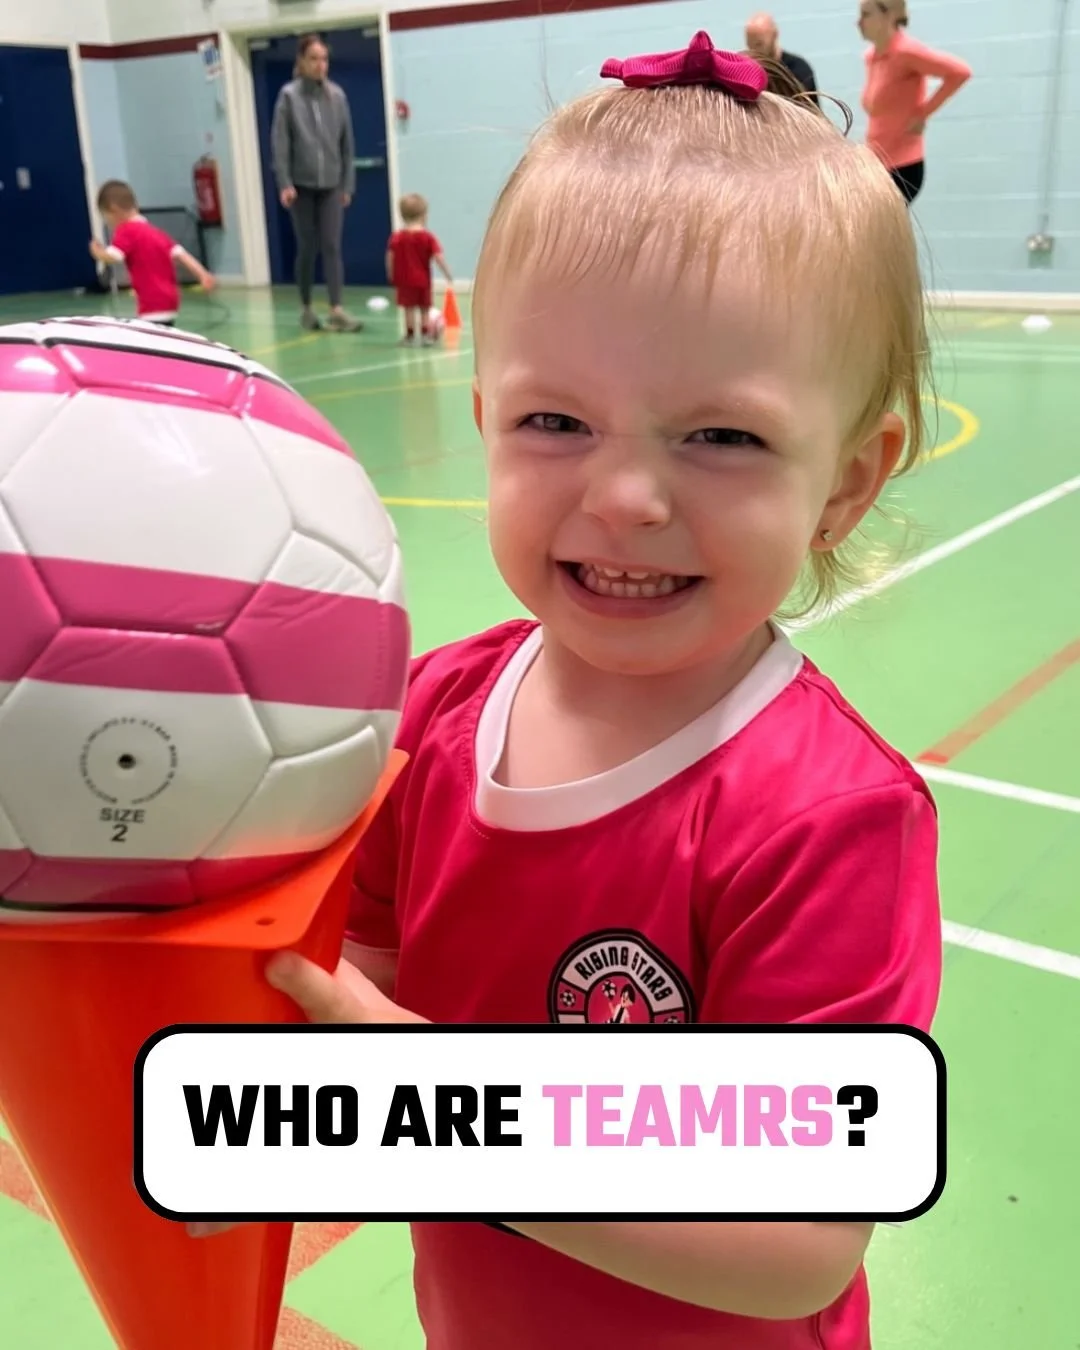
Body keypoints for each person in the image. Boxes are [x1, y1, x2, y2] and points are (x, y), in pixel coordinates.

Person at [192, 31, 942, 1350]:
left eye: (722, 435)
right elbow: (342, 1015)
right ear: (483, 409)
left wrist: (423, 1109)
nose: (625, 495)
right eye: (555, 421)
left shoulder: (824, 818)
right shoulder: (430, 715)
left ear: (845, 482)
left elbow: (795, 1248)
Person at [271, 34, 363, 332]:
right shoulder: (289, 96)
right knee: (308, 247)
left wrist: (347, 185)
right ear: (301, 61)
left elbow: (347, 145)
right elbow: (280, 143)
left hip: (332, 185)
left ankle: (337, 308)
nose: (320, 65)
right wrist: (284, 182)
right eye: (313, 58)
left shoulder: (337, 96)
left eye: (324, 59)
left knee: (332, 245)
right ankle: (307, 307)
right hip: (301, 185)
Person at [858, 0, 971, 205]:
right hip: (877, 162)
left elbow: (960, 72)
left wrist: (924, 112)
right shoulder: (872, 57)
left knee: (883, 231)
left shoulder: (906, 52)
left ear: (888, 16)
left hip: (903, 165)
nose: (859, 22)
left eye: (866, 15)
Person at [89, 181, 215, 326]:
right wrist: (203, 274)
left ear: (113, 209)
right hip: (170, 300)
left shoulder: (126, 231)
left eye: (106, 217)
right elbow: (182, 255)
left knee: (152, 341)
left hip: (151, 303)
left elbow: (113, 257)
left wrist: (97, 253)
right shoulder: (157, 233)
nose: (108, 223)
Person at [386, 193, 454, 345]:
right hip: (422, 280)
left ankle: (409, 335)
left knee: (408, 308)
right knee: (424, 308)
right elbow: (438, 257)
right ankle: (426, 335)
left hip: (404, 280)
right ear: (424, 215)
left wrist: (391, 273)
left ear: (402, 215)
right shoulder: (428, 238)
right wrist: (447, 273)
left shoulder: (397, 237)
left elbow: (390, 257)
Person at [744, 12, 819, 106]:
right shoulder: (749, 74)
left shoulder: (798, 71)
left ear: (775, 35)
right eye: (749, 45)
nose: (753, 51)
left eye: (759, 44)